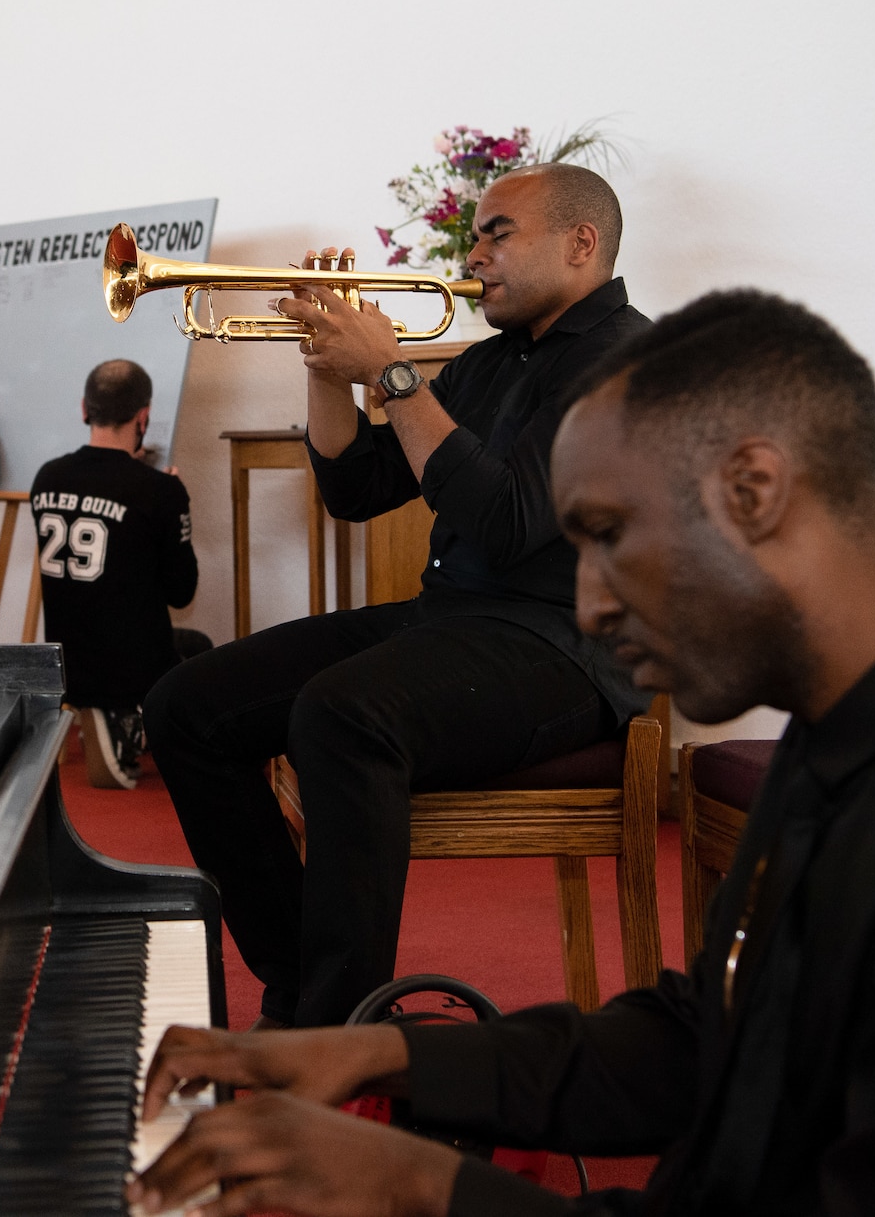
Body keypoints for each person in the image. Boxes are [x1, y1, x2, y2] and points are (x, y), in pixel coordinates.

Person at [126, 289, 875, 1217]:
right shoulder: (861, 715)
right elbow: (710, 1035)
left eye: (605, 538)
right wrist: (382, 1050)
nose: (586, 604)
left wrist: (415, 1182)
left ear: (753, 490)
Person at [144, 164, 650, 1029]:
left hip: (567, 647)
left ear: (581, 244)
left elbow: (504, 519)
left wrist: (396, 375)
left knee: (344, 714)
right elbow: (356, 487)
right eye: (475, 232)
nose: (475, 252)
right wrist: (325, 369)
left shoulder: (631, 362)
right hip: (454, 620)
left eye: (498, 232)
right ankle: (305, 984)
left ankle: (343, 1031)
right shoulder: (492, 362)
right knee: (188, 704)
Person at [30, 359, 208, 789]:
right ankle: (127, 717)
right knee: (200, 651)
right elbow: (181, 593)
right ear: (143, 417)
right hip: (131, 669)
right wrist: (176, 500)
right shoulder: (159, 490)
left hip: (68, 662)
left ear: (84, 409)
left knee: (186, 641)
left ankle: (106, 712)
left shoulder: (46, 478)